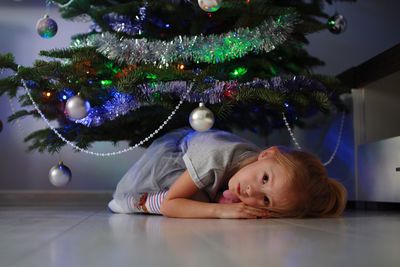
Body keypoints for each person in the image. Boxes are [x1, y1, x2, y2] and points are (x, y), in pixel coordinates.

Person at [108, 127, 347, 219]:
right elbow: (172, 205)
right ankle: (145, 201)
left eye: (265, 200)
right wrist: (221, 210)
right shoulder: (215, 156)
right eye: (264, 178)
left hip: (201, 167)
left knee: (212, 197)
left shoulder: (256, 166)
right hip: (170, 157)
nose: (252, 191)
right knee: (195, 202)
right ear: (266, 154)